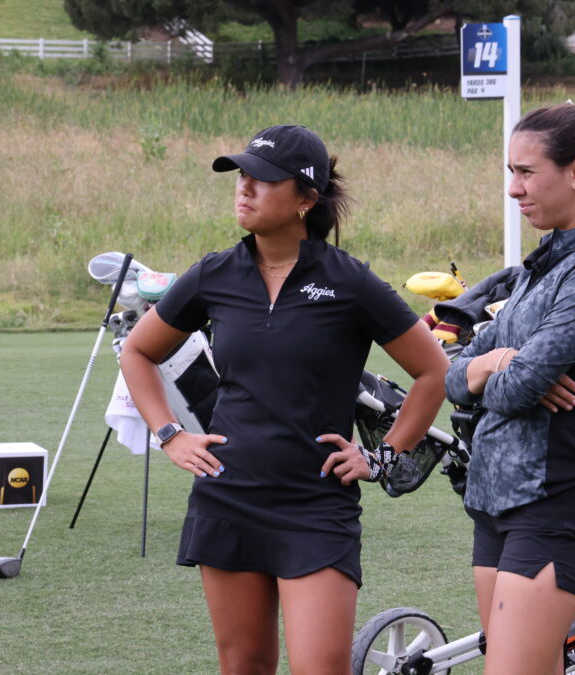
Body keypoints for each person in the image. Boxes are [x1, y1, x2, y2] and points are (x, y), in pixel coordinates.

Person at [119, 124, 448, 675]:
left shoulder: (350, 282)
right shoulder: (214, 274)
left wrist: (384, 455)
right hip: (229, 496)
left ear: (305, 199)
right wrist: (171, 435)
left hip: (315, 506)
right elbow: (137, 353)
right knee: (244, 665)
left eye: (263, 179)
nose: (244, 188)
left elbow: (432, 372)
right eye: (241, 175)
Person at [444, 86, 575, 675]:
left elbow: (521, 386)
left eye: (526, 172)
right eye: (511, 171)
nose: (513, 188)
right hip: (492, 502)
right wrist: (491, 363)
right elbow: (453, 373)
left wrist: (504, 369)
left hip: (554, 505)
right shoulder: (544, 262)